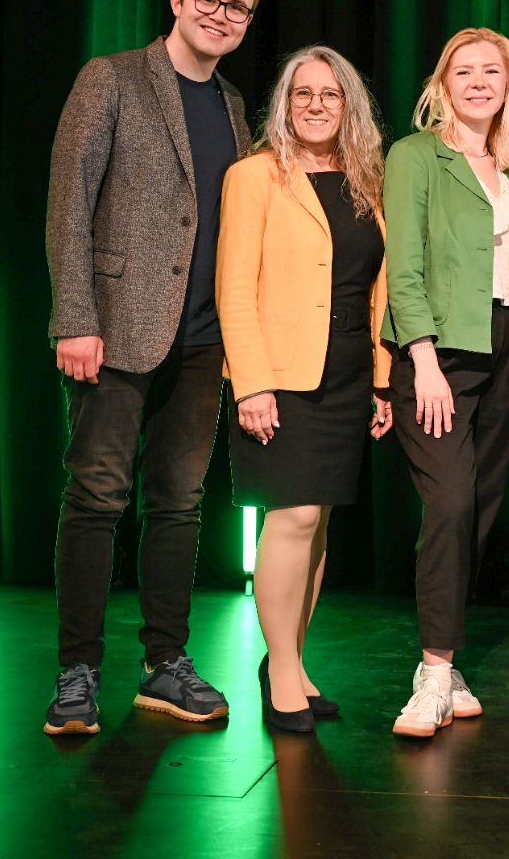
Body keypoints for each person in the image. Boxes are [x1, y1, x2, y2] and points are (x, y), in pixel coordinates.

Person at [43, 0, 260, 735]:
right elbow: (70, 201)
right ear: (176, 0)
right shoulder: (112, 79)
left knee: (179, 504)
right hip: (114, 328)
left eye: (237, 7)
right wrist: (75, 316)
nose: (220, 15)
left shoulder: (234, 105)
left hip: (203, 340)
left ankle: (165, 664)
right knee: (97, 497)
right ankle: (77, 672)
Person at [217, 46, 395, 734]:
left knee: (317, 524)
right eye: (303, 93)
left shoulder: (365, 181)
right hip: (281, 376)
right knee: (290, 518)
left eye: (331, 94)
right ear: (284, 105)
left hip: (348, 373)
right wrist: (252, 385)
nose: (317, 105)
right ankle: (283, 672)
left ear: (350, 106)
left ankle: (290, 661)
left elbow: (378, 289)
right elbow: (234, 289)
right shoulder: (254, 176)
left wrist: (381, 381)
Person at [381, 28, 509, 738]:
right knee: (450, 506)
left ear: (508, 84)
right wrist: (424, 360)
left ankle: (447, 663)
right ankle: (433, 675)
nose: (477, 82)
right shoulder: (416, 156)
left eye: (491, 71)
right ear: (441, 84)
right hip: (439, 353)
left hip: (507, 350)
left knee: (481, 511)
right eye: (463, 71)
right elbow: (404, 265)